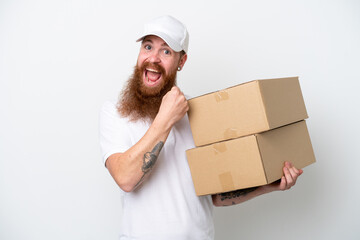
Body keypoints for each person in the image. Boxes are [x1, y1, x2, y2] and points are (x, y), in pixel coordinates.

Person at [99, 15, 303, 240]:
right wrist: (165, 119)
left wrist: (268, 185)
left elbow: (216, 195)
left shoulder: (201, 114)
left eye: (166, 51)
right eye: (148, 47)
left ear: (181, 62)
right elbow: (125, 178)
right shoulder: (115, 112)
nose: (153, 59)